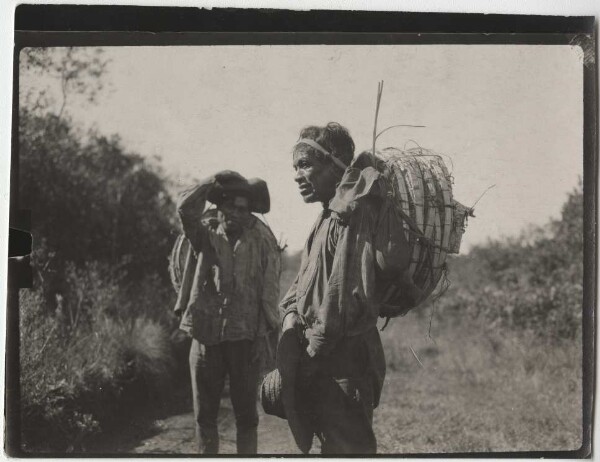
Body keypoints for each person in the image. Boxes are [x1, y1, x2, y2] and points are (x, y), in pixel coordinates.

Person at [279, 122, 389, 454]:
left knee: (347, 447)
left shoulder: (351, 213)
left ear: (336, 163)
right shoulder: (326, 217)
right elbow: (302, 285)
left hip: (343, 360)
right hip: (323, 355)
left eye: (306, 164)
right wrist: (289, 317)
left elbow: (345, 295)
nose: (298, 175)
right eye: (295, 167)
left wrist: (311, 352)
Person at [175, 170, 281, 454]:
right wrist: (210, 182)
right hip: (205, 336)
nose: (236, 213)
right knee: (204, 417)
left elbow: (268, 295)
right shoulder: (204, 235)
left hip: (245, 340)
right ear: (219, 208)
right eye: (230, 206)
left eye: (243, 209)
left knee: (247, 418)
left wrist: (263, 338)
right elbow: (185, 209)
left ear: (250, 213)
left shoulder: (261, 243)